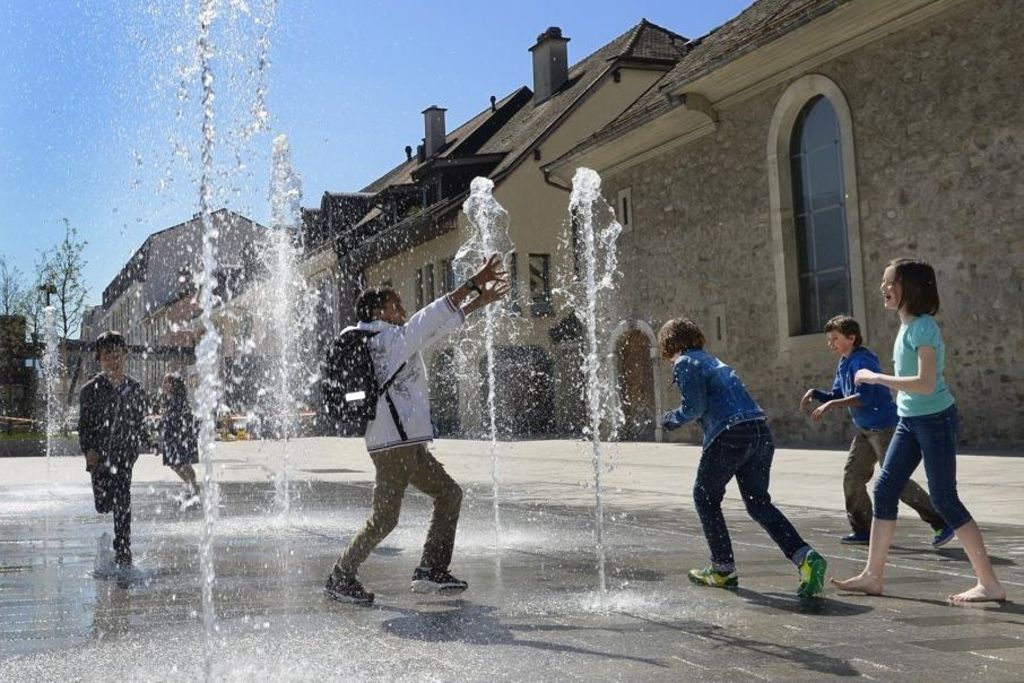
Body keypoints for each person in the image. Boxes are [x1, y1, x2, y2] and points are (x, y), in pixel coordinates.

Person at [325, 254, 510, 604]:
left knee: (448, 494)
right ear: (379, 312)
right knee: (384, 519)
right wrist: (472, 284)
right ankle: (341, 576)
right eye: (396, 304)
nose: (403, 309)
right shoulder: (383, 341)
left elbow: (430, 331)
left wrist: (476, 304)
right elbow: (427, 322)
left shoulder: (391, 340)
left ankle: (431, 569)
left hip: (405, 445)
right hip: (394, 446)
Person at [831, 259, 1006, 603]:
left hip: (934, 419)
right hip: (910, 419)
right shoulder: (907, 326)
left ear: (909, 288)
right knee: (884, 489)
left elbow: (925, 384)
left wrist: (876, 378)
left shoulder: (924, 328)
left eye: (889, 282)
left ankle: (989, 583)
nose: (884, 288)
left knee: (943, 498)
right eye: (883, 282)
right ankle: (872, 576)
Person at [659, 318, 827, 597]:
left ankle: (722, 569)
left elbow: (694, 407)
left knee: (705, 496)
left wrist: (670, 420)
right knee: (758, 503)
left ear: (669, 344)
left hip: (729, 434)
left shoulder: (685, 362)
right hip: (759, 430)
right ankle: (805, 556)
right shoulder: (714, 361)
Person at [801, 315, 953, 546]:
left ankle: (942, 521)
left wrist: (831, 405)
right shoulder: (844, 362)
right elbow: (839, 394)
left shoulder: (864, 360)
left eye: (835, 338)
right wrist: (817, 394)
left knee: (896, 482)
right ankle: (864, 530)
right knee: (852, 477)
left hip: (884, 428)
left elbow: (865, 397)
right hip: (865, 430)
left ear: (851, 338)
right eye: (828, 339)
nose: (830, 343)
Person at [79, 331, 149, 569]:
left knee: (122, 501)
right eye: (108, 356)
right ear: (99, 359)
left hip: (124, 455)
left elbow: (140, 423)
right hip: (99, 457)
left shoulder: (135, 389)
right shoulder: (90, 390)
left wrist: (137, 447)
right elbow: (84, 426)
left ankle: (123, 549)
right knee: (103, 504)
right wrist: (88, 450)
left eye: (117, 355)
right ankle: (111, 544)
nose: (113, 360)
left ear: (125, 355)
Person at [160, 372, 200, 506]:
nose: (163, 384)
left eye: (166, 382)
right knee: (176, 464)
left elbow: (183, 418)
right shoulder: (169, 399)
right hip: (173, 436)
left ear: (173, 385)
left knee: (183, 463)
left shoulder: (178, 399)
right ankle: (192, 486)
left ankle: (193, 487)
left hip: (180, 436)